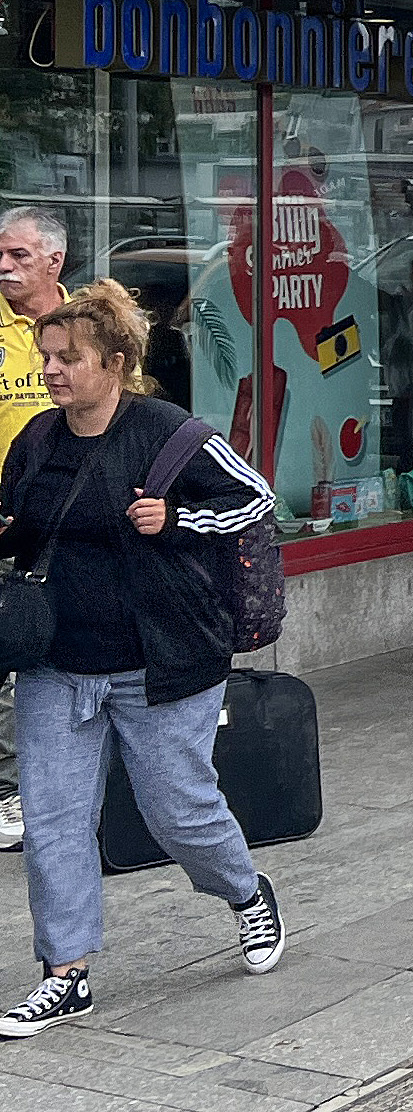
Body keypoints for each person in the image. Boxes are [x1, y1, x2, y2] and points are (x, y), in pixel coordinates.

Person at [0, 281, 284, 1037]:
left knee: (178, 812)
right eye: (48, 357)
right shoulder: (36, 440)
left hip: (162, 661)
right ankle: (67, 974)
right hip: (57, 662)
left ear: (116, 363)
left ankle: (247, 892)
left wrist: (178, 517)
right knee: (56, 821)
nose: (53, 371)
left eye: (70, 359)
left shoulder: (169, 432)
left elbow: (255, 498)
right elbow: (22, 529)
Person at [0, 204, 75, 858]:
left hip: (75, 523)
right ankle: (7, 792)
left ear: (54, 260)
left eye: (19, 255)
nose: (3, 265)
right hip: (5, 526)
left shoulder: (86, 325)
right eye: (0, 252)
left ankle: (61, 782)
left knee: (69, 652)